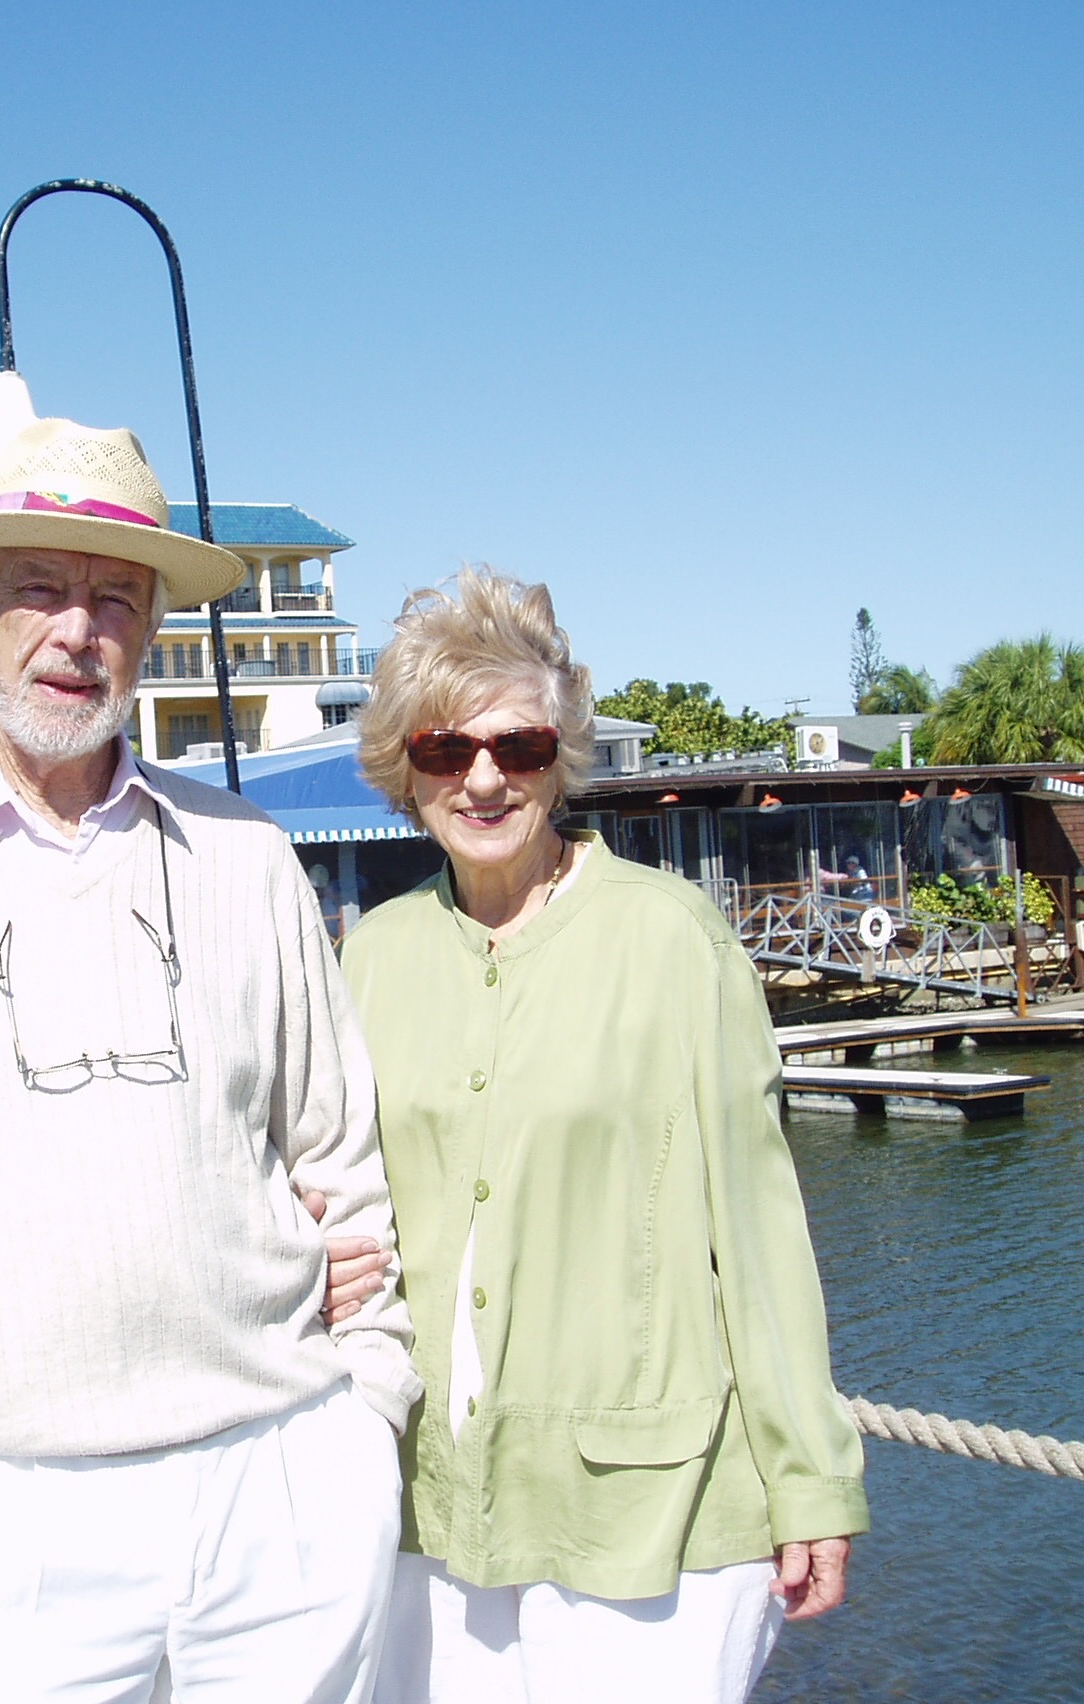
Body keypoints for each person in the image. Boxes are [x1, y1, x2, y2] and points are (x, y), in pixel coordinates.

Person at [0, 415, 420, 1703]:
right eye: (39, 586)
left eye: (115, 597)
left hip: (285, 1486)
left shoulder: (245, 855)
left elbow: (341, 1156)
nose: (76, 630)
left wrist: (366, 1411)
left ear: (152, 626)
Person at [332, 570, 868, 1704]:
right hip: (423, 1506)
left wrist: (811, 1477)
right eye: (445, 749)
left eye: (519, 747)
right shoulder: (368, 957)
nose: (484, 778)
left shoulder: (674, 937)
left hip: (653, 1512)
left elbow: (760, 1230)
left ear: (560, 758)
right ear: (406, 768)